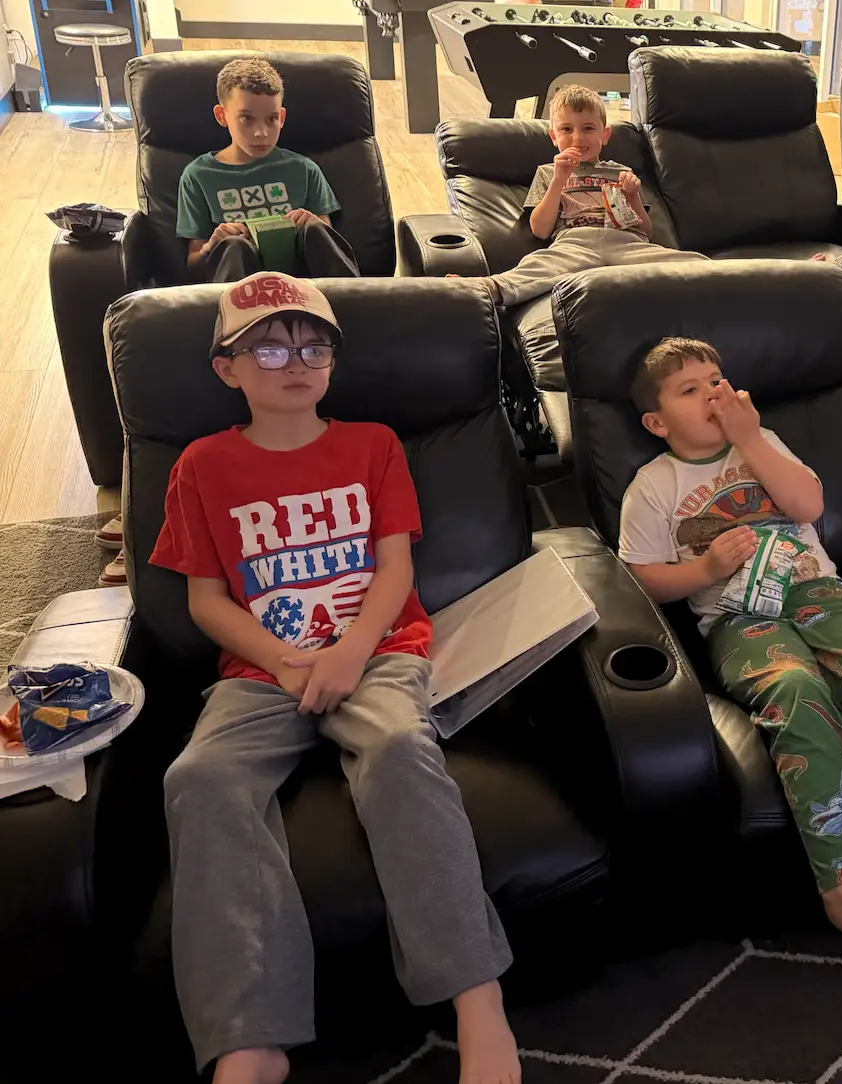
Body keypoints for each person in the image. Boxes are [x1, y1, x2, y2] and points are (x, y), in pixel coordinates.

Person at [148, 272, 521, 1084]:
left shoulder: (372, 445)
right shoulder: (202, 466)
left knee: (397, 750)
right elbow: (206, 601)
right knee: (200, 778)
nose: (296, 360)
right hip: (260, 669)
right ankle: (250, 1036)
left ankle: (474, 995)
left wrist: (352, 649)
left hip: (379, 652)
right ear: (227, 368)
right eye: (270, 346)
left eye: (314, 345)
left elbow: (394, 567)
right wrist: (285, 660)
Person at [617, 338, 842, 964]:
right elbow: (638, 575)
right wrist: (701, 571)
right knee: (798, 693)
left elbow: (808, 505)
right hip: (737, 616)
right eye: (690, 389)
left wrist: (751, 440)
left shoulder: (765, 443)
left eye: (717, 379)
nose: (712, 394)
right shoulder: (654, 485)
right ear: (656, 421)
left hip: (819, 590)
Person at [461, 84, 705, 307]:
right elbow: (540, 230)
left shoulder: (621, 172)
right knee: (540, 266)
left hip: (626, 242)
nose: (578, 138)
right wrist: (559, 179)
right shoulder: (548, 172)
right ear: (554, 136)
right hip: (575, 241)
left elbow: (646, 232)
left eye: (588, 128)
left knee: (692, 264)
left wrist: (632, 198)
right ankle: (486, 288)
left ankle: (734, 279)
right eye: (566, 129)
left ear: (605, 135)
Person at [177, 57, 360, 284]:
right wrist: (211, 246)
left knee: (314, 229)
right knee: (233, 245)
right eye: (247, 118)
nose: (261, 133)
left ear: (281, 118)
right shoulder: (198, 176)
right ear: (221, 116)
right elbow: (193, 267)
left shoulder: (303, 169)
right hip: (242, 295)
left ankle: (355, 307)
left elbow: (328, 244)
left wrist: (312, 221)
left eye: (271, 119)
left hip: (305, 289)